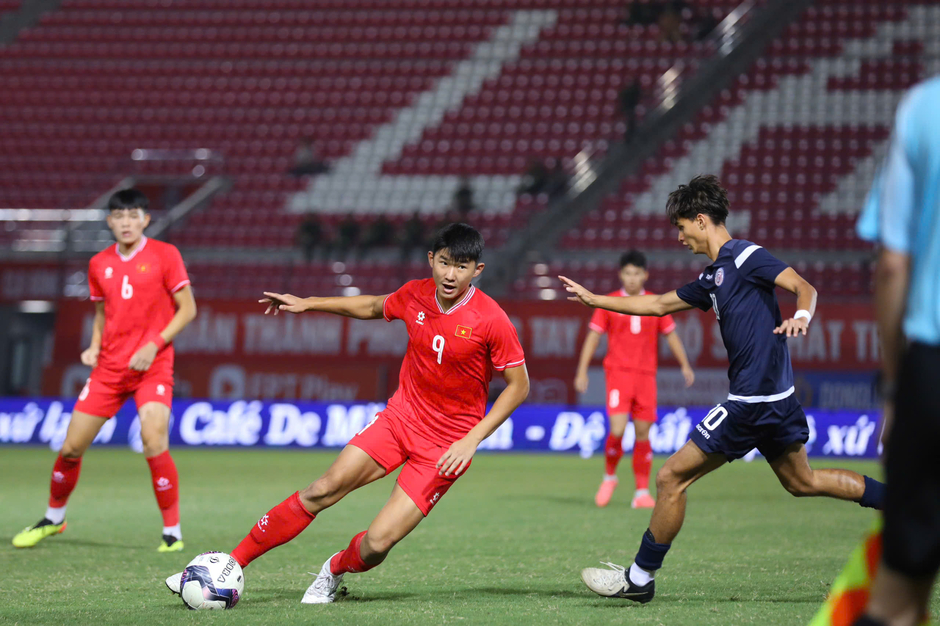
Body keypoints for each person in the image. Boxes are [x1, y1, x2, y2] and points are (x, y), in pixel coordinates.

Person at [560, 175, 885, 604]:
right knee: (802, 481)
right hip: (778, 401)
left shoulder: (746, 255)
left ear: (700, 220)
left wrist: (802, 316)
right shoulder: (713, 276)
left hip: (750, 402)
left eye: (681, 227)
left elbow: (805, 287)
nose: (679, 237)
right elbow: (657, 304)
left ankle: (639, 579)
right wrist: (597, 299)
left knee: (671, 477)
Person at [164, 223, 529, 604]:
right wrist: (308, 302)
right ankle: (228, 565)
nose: (450, 274)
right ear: (431, 261)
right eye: (444, 263)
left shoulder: (491, 319)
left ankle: (334, 569)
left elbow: (519, 386)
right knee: (322, 489)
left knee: (378, 543)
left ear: (477, 271)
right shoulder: (415, 294)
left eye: (462, 266)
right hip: (399, 420)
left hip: (445, 446)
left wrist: (471, 440)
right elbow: (371, 305)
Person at [12, 189, 197, 552]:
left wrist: (154, 345)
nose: (126, 222)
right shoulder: (99, 263)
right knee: (70, 448)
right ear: (110, 221)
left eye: (133, 215)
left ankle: (172, 533)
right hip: (110, 369)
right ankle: (53, 518)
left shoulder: (165, 254)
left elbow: (187, 309)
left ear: (145, 219)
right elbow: (102, 313)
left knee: (153, 440)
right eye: (119, 216)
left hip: (152, 366)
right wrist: (95, 345)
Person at [837, 76, 940, 626]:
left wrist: (896, 387)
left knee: (899, 599)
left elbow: (894, 264)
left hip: (933, 366)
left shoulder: (924, 108)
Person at [574, 250, 695, 509]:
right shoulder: (608, 302)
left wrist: (685, 364)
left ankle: (641, 492)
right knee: (617, 429)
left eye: (636, 273)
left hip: (646, 377)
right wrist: (582, 370)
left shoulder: (655, 302)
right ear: (621, 275)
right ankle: (609, 477)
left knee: (643, 434)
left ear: (645, 275)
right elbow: (593, 337)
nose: (631, 278)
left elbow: (671, 335)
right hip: (618, 374)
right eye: (627, 273)